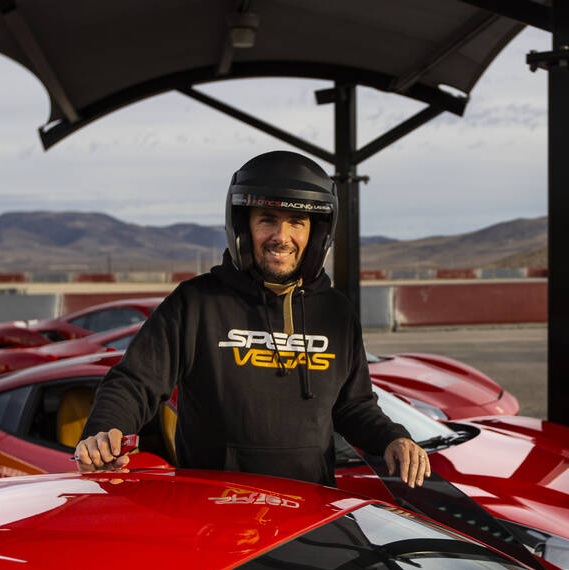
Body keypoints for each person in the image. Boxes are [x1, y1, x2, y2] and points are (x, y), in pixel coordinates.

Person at [75, 150, 430, 488]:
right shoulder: (197, 301)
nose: (282, 237)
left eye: (296, 222)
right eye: (268, 220)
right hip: (215, 513)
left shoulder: (335, 311)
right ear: (243, 228)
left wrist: (392, 438)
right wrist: (105, 430)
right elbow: (134, 382)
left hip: (309, 511)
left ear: (316, 234)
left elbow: (354, 406)